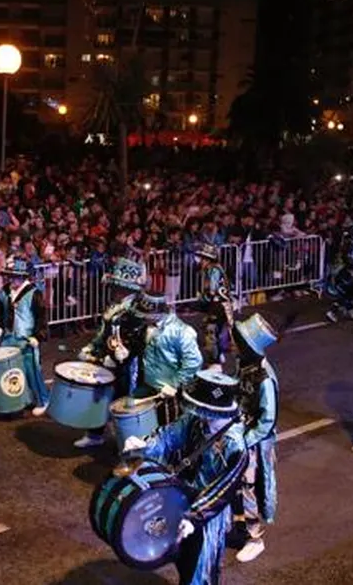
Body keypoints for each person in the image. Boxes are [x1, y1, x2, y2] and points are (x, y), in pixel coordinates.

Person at [123, 369, 249, 585]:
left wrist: (195, 516)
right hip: (183, 498)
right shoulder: (197, 421)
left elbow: (223, 489)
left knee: (201, 568)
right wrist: (145, 445)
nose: (196, 411)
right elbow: (169, 436)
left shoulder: (234, 446)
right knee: (183, 558)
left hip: (207, 511)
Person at [74, 256, 146, 449]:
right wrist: (92, 347)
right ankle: (95, 434)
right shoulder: (114, 306)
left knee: (125, 402)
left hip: (127, 367)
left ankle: (128, 442)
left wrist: (122, 356)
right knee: (98, 396)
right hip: (107, 361)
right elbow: (103, 333)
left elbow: (136, 341)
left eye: (117, 287)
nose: (114, 290)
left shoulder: (136, 311)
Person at [231, 313, 280, 564]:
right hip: (239, 434)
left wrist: (246, 439)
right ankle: (238, 527)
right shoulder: (245, 365)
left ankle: (254, 538)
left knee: (248, 487)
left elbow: (267, 420)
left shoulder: (265, 379)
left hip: (254, 442)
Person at [132, 288, 204, 425]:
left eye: (146, 315)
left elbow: (193, 362)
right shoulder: (146, 326)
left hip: (170, 393)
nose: (142, 318)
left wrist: (174, 384)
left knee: (168, 429)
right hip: (147, 386)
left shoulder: (182, 331)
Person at [0, 256, 50, 416]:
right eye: (10, 276)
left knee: (32, 370)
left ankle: (43, 399)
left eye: (16, 276)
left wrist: (38, 336)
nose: (12, 279)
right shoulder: (5, 291)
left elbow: (41, 317)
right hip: (8, 338)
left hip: (27, 339)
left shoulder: (34, 293)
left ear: (24, 277)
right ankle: (21, 399)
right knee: (12, 370)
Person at [196, 243, 233, 369]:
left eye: (203, 259)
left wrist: (202, 297)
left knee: (210, 331)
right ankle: (219, 355)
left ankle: (214, 362)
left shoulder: (213, 270)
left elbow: (212, 290)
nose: (201, 261)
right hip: (224, 305)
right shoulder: (218, 268)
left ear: (209, 259)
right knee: (218, 330)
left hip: (218, 306)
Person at [325, 227, 353, 323]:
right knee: (343, 294)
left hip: (349, 272)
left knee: (351, 292)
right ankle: (332, 312)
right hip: (342, 272)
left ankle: (350, 311)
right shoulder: (348, 245)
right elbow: (346, 259)